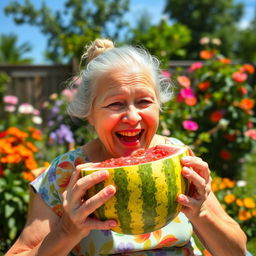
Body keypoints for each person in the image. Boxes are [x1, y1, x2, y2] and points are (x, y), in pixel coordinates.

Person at [6, 38, 247, 256]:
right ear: (90, 114)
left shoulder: (180, 158)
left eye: (144, 101)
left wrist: (202, 213)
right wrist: (67, 231)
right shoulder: (63, 174)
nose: (132, 117)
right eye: (116, 103)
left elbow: (238, 252)